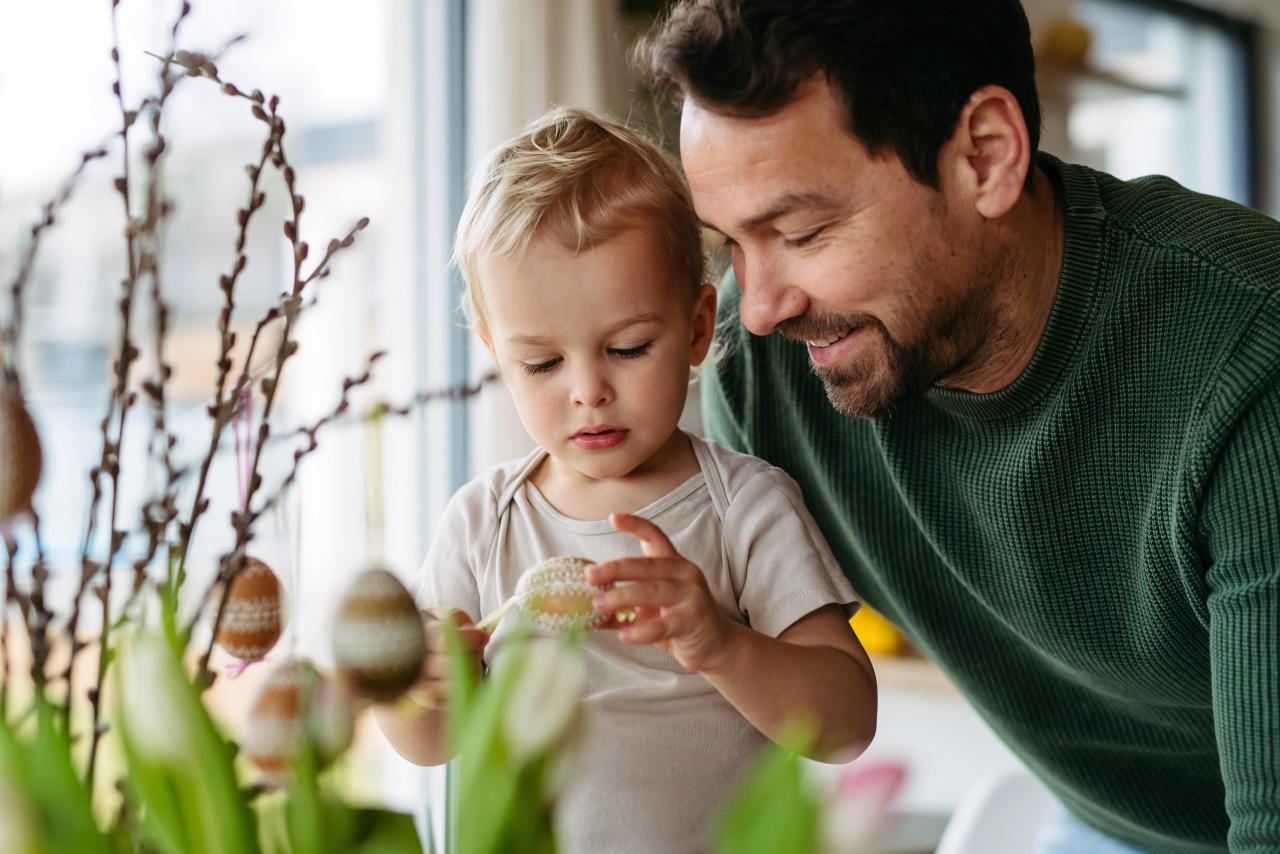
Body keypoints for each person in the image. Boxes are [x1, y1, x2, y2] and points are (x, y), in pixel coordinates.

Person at [636, 1, 1280, 852]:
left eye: (801, 231)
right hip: (1093, 824)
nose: (758, 309)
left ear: (985, 155)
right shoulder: (769, 367)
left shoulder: (1249, 361)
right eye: (731, 245)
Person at [373, 107, 878, 854]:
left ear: (699, 325)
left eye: (630, 347)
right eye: (541, 363)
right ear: (495, 351)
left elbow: (845, 724)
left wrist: (721, 644)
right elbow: (429, 744)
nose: (587, 391)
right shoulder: (484, 523)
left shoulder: (745, 506)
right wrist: (418, 689)